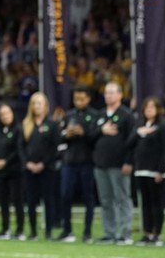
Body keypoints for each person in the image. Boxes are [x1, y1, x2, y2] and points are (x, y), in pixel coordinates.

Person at [93, 81, 134, 244]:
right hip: (101, 164)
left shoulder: (126, 115)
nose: (108, 95)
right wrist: (100, 130)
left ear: (120, 95)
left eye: (111, 92)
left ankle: (125, 232)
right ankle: (109, 233)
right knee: (106, 200)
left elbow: (131, 141)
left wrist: (128, 162)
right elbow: (90, 136)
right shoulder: (100, 115)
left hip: (119, 164)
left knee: (122, 198)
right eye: (106, 93)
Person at [57, 86, 98, 243]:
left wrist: (84, 133)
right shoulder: (69, 115)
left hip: (87, 162)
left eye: (81, 99)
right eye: (76, 99)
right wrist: (66, 135)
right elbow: (60, 139)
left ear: (88, 99)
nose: (78, 102)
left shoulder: (95, 115)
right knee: (65, 195)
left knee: (88, 197)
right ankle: (67, 230)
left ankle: (87, 232)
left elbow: (96, 138)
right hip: (69, 162)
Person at [127, 97, 165, 245]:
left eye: (152, 107)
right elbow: (129, 143)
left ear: (158, 110)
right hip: (140, 169)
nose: (149, 110)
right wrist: (139, 132)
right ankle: (148, 232)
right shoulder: (140, 125)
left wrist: (161, 170)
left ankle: (158, 232)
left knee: (156, 202)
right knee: (145, 203)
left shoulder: (162, 126)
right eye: (146, 107)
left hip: (155, 170)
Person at [19, 91, 59, 240]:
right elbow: (21, 147)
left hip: (47, 169)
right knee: (31, 201)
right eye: (34, 103)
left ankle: (48, 231)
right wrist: (27, 163)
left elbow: (54, 147)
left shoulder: (52, 124)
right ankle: (33, 231)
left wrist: (43, 163)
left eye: (40, 103)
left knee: (48, 199)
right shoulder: (26, 124)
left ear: (46, 106)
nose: (37, 106)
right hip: (29, 169)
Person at [0, 102, 25, 239]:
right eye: (2, 114)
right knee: (3, 201)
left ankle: (20, 230)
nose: (5, 117)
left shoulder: (18, 129)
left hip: (15, 170)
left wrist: (6, 161)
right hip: (0, 171)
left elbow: (18, 149)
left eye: (7, 113)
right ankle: (5, 228)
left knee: (18, 200)